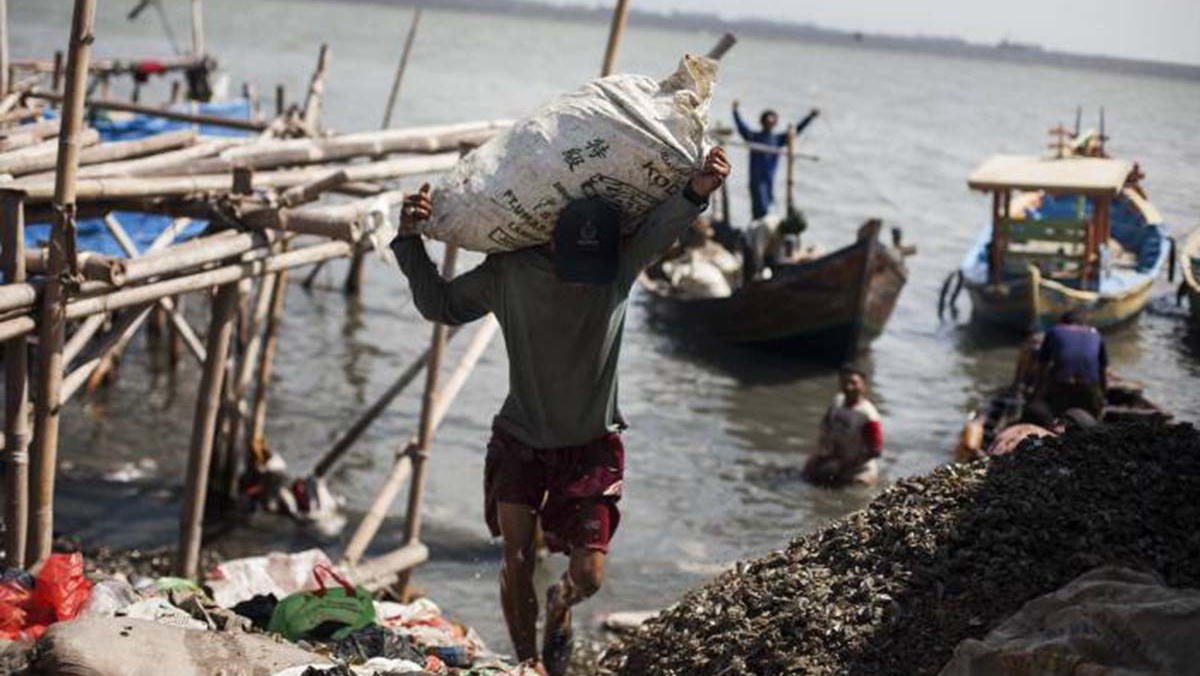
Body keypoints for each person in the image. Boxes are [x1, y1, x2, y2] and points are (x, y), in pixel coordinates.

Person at [390, 148, 731, 676]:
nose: (583, 282)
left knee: (589, 576)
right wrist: (409, 240)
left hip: (591, 446)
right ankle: (529, 664)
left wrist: (698, 189)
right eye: (576, 268)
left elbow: (663, 225)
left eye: (594, 270)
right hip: (520, 439)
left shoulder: (619, 268)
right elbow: (441, 305)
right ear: (551, 242)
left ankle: (561, 600)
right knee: (517, 556)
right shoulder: (509, 272)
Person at [732, 101, 819, 220]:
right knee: (760, 204)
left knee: (769, 202)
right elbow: (741, 127)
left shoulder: (778, 140)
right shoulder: (754, 137)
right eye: (767, 121)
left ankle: (766, 224)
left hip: (769, 178)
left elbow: (796, 131)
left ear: (775, 123)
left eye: (772, 121)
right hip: (756, 178)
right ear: (762, 122)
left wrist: (810, 117)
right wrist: (735, 111)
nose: (770, 123)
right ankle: (759, 224)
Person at [803, 365, 884, 487]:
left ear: (864, 386)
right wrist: (816, 456)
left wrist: (847, 465)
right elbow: (825, 429)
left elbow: (875, 451)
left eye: (853, 383)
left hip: (859, 467)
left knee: (855, 489)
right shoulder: (837, 401)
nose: (849, 387)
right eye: (845, 382)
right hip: (834, 459)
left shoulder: (869, 416)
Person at [1029, 311, 1108, 422]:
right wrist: (1102, 397)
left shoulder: (1054, 331)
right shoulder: (1096, 334)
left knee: (1042, 411)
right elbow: (1102, 371)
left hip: (1061, 386)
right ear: (1084, 324)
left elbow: (1042, 366)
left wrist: (1036, 394)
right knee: (1095, 415)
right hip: (1088, 389)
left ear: (1062, 322)